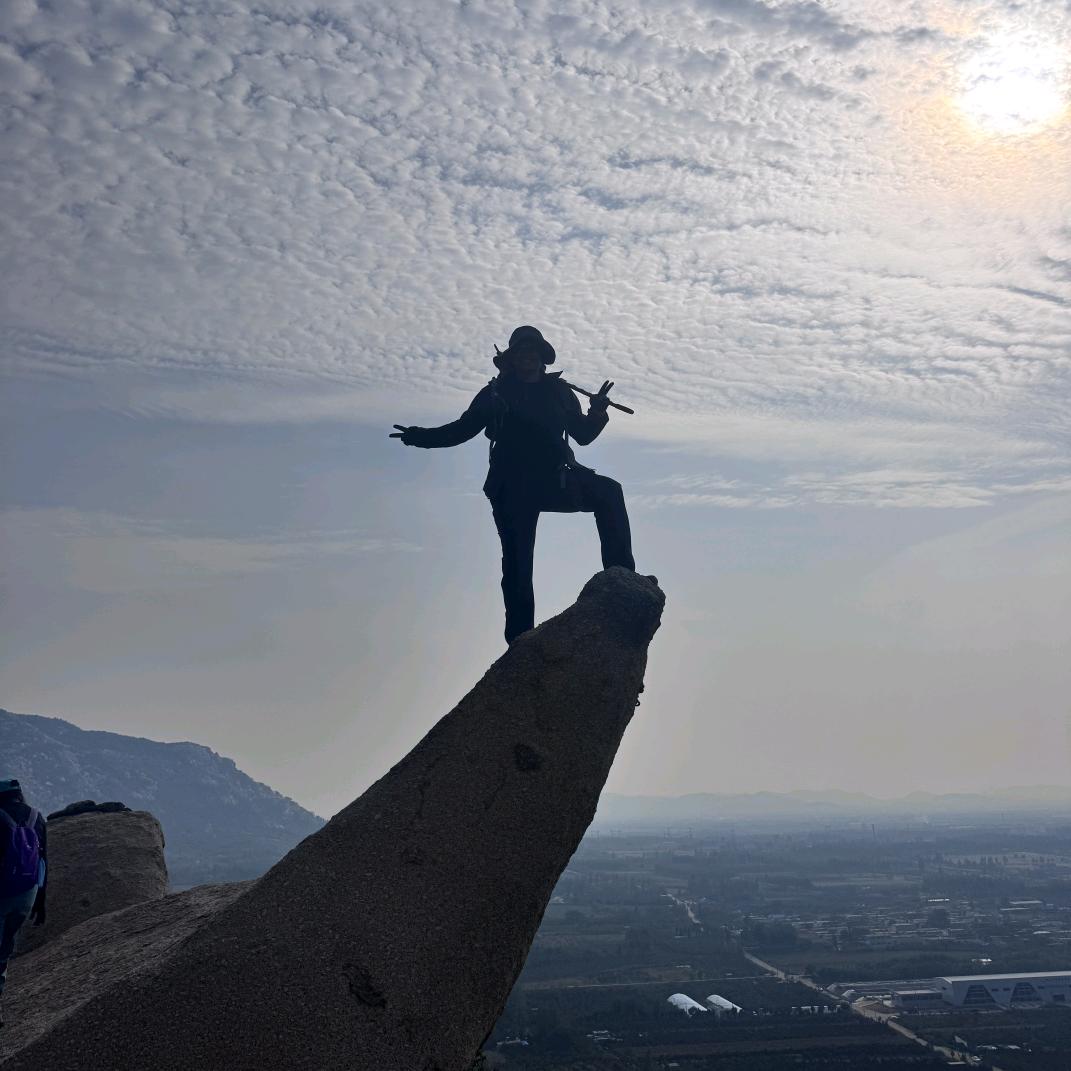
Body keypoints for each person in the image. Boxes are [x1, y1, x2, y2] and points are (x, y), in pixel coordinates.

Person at [392, 325, 637, 644]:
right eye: (522, 351)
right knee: (518, 562)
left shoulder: (559, 392)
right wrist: (418, 437)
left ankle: (622, 581)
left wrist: (597, 412)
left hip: (555, 479)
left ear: (542, 358)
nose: (529, 357)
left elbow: (583, 435)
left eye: (533, 351)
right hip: (512, 488)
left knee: (608, 491)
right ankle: (521, 640)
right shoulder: (495, 393)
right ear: (512, 358)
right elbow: (460, 431)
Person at [0, 778, 47, 1029]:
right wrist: (40, 904)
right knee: (4, 950)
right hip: (26, 896)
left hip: (2, 894)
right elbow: (43, 863)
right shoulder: (36, 817)